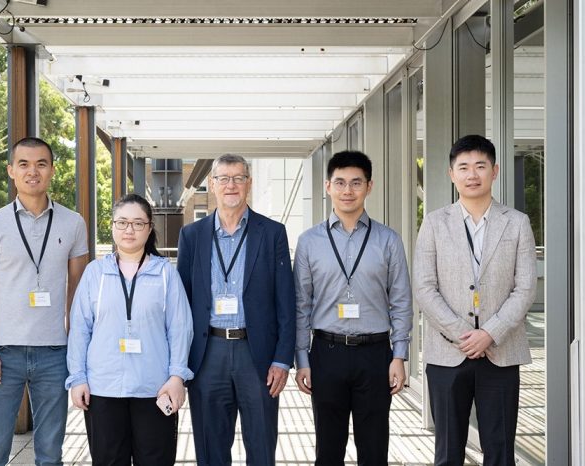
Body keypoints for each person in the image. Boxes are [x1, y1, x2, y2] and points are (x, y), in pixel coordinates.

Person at [413, 135, 537, 466]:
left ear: (494, 171)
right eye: (464, 167)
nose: (472, 174)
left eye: (480, 166)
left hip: (501, 353)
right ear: (451, 174)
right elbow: (424, 287)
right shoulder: (434, 223)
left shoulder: (517, 223)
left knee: (500, 452)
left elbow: (525, 287)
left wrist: (490, 333)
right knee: (448, 453)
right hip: (447, 353)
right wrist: (464, 335)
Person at [0, 137, 88, 466]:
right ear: (11, 171)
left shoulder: (73, 223)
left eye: (41, 164)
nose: (32, 171)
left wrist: (75, 346)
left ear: (52, 170)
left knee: (50, 453)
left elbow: (78, 289)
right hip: (3, 352)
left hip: (54, 352)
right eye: (23, 164)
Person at [294, 150, 413, 465]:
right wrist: (302, 359)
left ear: (369, 187)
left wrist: (399, 355)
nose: (348, 190)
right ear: (327, 186)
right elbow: (301, 305)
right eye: (340, 182)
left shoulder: (388, 240)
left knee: (374, 450)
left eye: (356, 183)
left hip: (375, 355)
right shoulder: (308, 242)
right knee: (328, 451)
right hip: (326, 353)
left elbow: (401, 300)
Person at [176, 154, 296, 465]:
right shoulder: (192, 235)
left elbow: (286, 301)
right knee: (210, 450)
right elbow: (180, 304)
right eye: (224, 179)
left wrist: (282, 359)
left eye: (238, 178)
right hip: (207, 355)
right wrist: (179, 362)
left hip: (257, 356)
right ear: (212, 183)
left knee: (261, 448)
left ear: (249, 183)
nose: (231, 185)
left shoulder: (272, 233)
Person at [66, 194, 194, 466]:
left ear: (149, 229)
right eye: (122, 222)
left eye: (138, 223)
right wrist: (77, 378)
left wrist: (177, 377)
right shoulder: (95, 273)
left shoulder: (165, 274)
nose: (129, 230)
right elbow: (79, 329)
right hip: (103, 389)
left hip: (155, 389)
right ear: (112, 226)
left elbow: (180, 329)